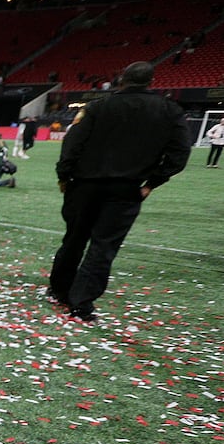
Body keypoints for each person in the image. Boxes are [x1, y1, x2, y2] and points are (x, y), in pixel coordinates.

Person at [49, 61, 190, 323]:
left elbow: (72, 143)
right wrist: (152, 183)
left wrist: (64, 175)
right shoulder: (169, 111)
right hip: (126, 188)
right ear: (151, 81)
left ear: (122, 78)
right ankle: (81, 303)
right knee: (104, 246)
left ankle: (60, 289)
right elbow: (180, 153)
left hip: (85, 185)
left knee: (74, 238)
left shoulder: (97, 107)